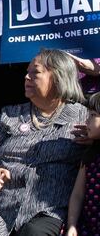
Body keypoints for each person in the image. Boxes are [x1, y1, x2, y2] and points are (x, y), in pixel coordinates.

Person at [0, 49, 87, 236]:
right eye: (27, 72)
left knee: (34, 233)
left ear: (59, 77)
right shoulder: (9, 115)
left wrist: (93, 139)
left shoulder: (82, 118)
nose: (26, 77)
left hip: (48, 209)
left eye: (35, 72)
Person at [66, 92, 100, 236]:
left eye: (93, 115)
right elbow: (78, 194)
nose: (87, 121)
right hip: (88, 226)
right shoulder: (90, 154)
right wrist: (72, 225)